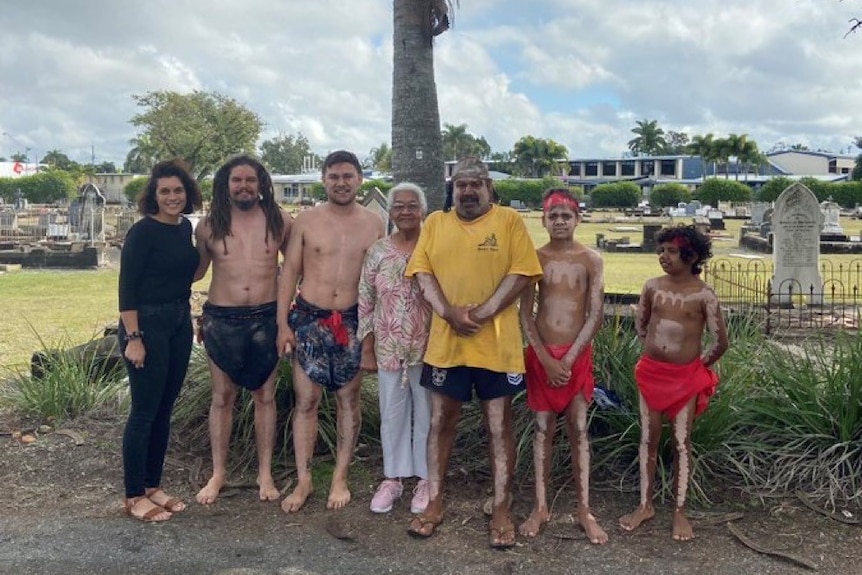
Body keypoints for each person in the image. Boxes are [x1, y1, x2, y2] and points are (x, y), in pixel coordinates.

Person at [404, 157, 543, 549]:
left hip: (496, 347)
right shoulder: (436, 223)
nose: (467, 191)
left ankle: (501, 507)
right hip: (446, 346)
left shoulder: (509, 221)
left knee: (499, 426)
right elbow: (422, 272)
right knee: (440, 421)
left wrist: (482, 313)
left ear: (488, 188)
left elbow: (520, 272)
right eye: (461, 184)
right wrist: (448, 312)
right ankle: (433, 503)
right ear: (452, 189)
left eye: (476, 184)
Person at [277, 149, 385, 513]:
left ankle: (340, 476)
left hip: (353, 321)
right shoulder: (307, 221)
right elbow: (289, 273)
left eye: (348, 176)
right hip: (309, 318)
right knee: (306, 401)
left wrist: (371, 337)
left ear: (360, 180)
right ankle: (304, 478)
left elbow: (378, 283)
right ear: (324, 179)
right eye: (334, 176)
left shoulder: (374, 224)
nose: (341, 183)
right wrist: (282, 325)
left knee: (347, 401)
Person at [618, 224, 729, 541]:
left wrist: (696, 367)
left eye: (671, 251)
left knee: (681, 443)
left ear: (691, 254)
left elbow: (720, 342)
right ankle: (645, 504)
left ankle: (680, 511)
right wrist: (654, 354)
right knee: (648, 439)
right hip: (652, 375)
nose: (663, 257)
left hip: (685, 381)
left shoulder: (704, 294)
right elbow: (641, 325)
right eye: (661, 251)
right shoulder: (652, 286)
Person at [194, 155, 292, 505]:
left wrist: (287, 320)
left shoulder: (280, 221)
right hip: (221, 317)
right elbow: (197, 272)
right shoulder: (208, 226)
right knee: (222, 397)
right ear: (226, 185)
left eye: (251, 180)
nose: (244, 186)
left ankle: (264, 473)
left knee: (264, 396)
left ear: (261, 184)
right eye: (237, 180)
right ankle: (219, 472)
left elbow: (297, 267)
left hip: (266, 317)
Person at [518, 188, 608, 544]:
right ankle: (541, 506)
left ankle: (584, 509)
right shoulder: (534, 258)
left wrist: (568, 359)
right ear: (543, 219)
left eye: (565, 216)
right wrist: (543, 356)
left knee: (579, 431)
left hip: (576, 356)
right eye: (553, 216)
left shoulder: (591, 259)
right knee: (543, 431)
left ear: (577, 219)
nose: (559, 222)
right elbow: (525, 312)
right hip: (542, 355)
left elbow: (595, 313)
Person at [118, 160, 203, 522]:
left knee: (165, 408)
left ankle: (153, 485)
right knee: (143, 412)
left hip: (179, 321)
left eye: (178, 190)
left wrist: (210, 252)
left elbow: (190, 273)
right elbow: (127, 289)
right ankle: (134, 494)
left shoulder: (185, 228)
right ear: (153, 195)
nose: (172, 197)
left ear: (187, 194)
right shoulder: (143, 232)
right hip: (146, 324)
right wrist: (134, 338)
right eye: (165, 191)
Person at [357, 183, 433, 515]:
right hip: (388, 347)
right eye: (399, 206)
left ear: (423, 210)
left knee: (427, 415)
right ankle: (394, 477)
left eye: (412, 205)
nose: (405, 211)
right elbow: (365, 300)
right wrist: (368, 346)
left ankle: (426, 478)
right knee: (392, 414)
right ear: (390, 212)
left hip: (429, 346)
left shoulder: (434, 248)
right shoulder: (378, 251)